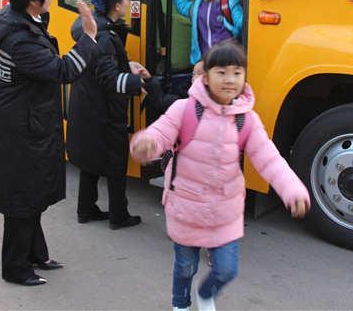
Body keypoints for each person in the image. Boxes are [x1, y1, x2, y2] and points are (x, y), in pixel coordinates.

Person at [130, 40, 310, 311]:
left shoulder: (246, 119)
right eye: (221, 72)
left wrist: (292, 189)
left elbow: (269, 159)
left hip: (226, 211)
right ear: (206, 77)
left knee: (227, 269)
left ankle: (205, 294)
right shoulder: (184, 109)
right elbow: (159, 134)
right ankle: (180, 304)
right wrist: (145, 144)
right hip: (187, 206)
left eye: (237, 72)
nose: (230, 79)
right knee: (185, 267)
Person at [0, 0, 99, 286]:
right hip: (20, 128)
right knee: (21, 196)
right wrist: (89, 37)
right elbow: (63, 71)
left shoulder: (18, 20)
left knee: (31, 191)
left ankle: (35, 254)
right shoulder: (20, 38)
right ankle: (15, 268)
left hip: (27, 120)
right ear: (34, 0)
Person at [67, 0, 149, 230]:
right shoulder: (105, 36)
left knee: (90, 161)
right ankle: (118, 216)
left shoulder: (97, 29)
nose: (128, 2)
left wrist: (128, 66)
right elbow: (108, 78)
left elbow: (103, 67)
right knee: (115, 162)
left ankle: (86, 209)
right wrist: (138, 83)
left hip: (88, 107)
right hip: (103, 111)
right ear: (116, 6)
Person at [173, 0, 243, 65]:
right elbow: (183, 7)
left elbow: (242, 23)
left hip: (226, 58)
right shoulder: (197, 6)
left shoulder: (228, 4)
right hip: (205, 59)